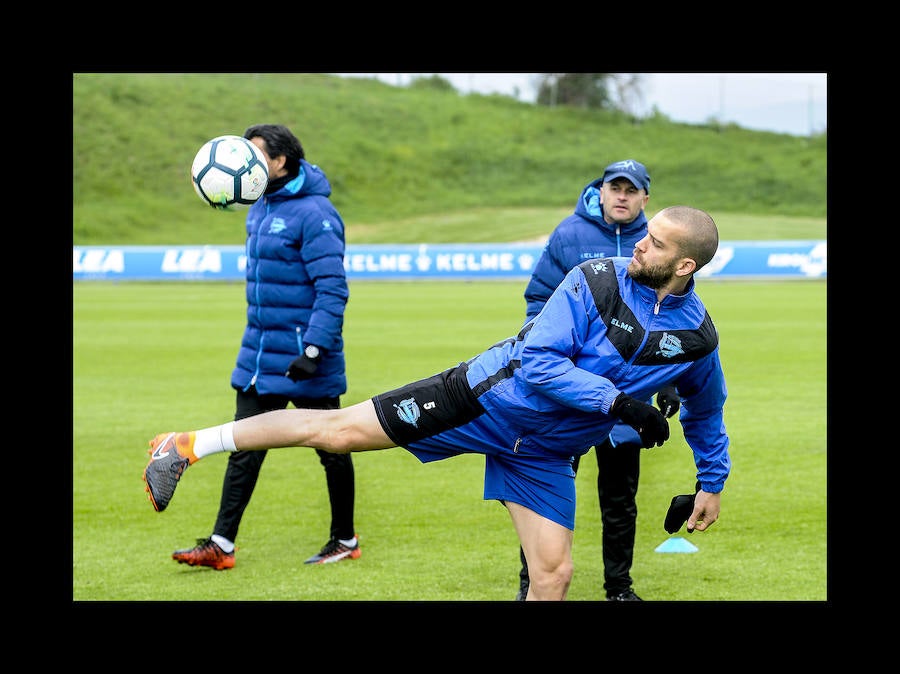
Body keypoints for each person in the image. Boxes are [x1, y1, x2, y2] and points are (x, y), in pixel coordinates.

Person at [144, 205, 731, 601]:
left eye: (656, 242)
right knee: (337, 432)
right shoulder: (595, 278)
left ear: (685, 265)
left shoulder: (698, 338)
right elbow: (540, 362)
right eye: (646, 233)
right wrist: (620, 405)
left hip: (545, 454)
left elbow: (706, 409)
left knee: (554, 576)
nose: (640, 243)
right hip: (482, 400)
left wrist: (711, 483)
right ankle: (187, 445)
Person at [168, 124, 360, 570]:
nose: (247, 163)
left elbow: (332, 289)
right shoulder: (258, 206)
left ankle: (345, 539)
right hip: (259, 355)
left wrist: (313, 350)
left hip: (304, 358)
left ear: (280, 161)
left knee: (333, 448)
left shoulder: (316, 213)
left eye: (255, 155)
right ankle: (221, 545)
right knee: (243, 448)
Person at [515, 159, 680, 601]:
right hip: (568, 393)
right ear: (601, 191)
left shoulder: (659, 241)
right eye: (615, 188)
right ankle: (531, 584)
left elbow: (671, 315)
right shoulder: (569, 235)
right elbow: (538, 302)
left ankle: (619, 589)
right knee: (545, 494)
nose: (622, 196)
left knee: (620, 497)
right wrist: (549, 362)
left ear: (645, 197)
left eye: (631, 190)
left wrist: (669, 380)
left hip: (630, 395)